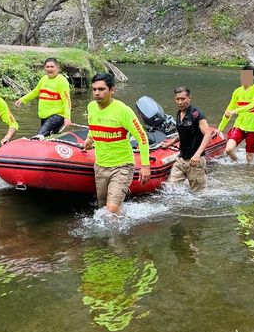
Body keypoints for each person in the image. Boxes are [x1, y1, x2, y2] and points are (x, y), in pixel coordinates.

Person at [82, 72, 151, 215]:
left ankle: (119, 237)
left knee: (111, 209)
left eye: (101, 89)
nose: (97, 93)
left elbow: (142, 136)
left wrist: (145, 165)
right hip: (100, 165)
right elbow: (93, 125)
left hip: (122, 165)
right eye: (94, 89)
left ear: (112, 90)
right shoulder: (91, 107)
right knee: (102, 209)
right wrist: (90, 137)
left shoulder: (123, 111)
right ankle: (112, 231)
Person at [160, 86, 213, 192]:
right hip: (181, 159)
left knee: (198, 194)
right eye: (177, 99)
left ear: (189, 98)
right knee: (170, 189)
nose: (180, 102)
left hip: (195, 161)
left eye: (183, 99)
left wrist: (197, 154)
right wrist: (168, 144)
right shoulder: (179, 113)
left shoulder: (197, 114)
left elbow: (208, 134)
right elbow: (182, 133)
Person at [14, 57, 72, 139]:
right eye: (47, 67)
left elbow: (67, 101)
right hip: (44, 117)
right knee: (47, 138)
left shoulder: (62, 81)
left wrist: (67, 117)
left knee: (39, 136)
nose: (49, 69)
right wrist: (22, 99)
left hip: (57, 116)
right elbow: (35, 92)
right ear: (44, 68)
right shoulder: (43, 79)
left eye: (52, 67)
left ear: (57, 68)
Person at [218, 64, 254, 163]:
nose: (244, 79)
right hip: (239, 126)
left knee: (249, 158)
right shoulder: (237, 92)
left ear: (252, 77)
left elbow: (253, 105)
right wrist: (220, 128)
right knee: (229, 149)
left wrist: (236, 111)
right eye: (243, 76)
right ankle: (238, 163)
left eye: (247, 76)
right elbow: (228, 111)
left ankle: (248, 174)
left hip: (253, 128)